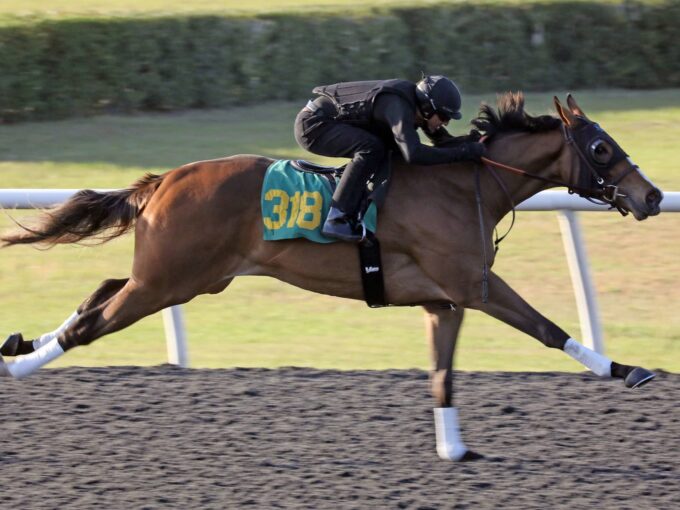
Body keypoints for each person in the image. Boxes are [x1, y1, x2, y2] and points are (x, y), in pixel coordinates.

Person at [293, 75, 486, 242]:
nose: (446, 122)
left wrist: (469, 144)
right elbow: (414, 154)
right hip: (313, 125)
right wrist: (464, 152)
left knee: (385, 148)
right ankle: (337, 217)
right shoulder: (398, 106)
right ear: (428, 108)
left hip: (328, 122)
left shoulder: (419, 108)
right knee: (372, 148)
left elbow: (442, 141)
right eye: (444, 117)